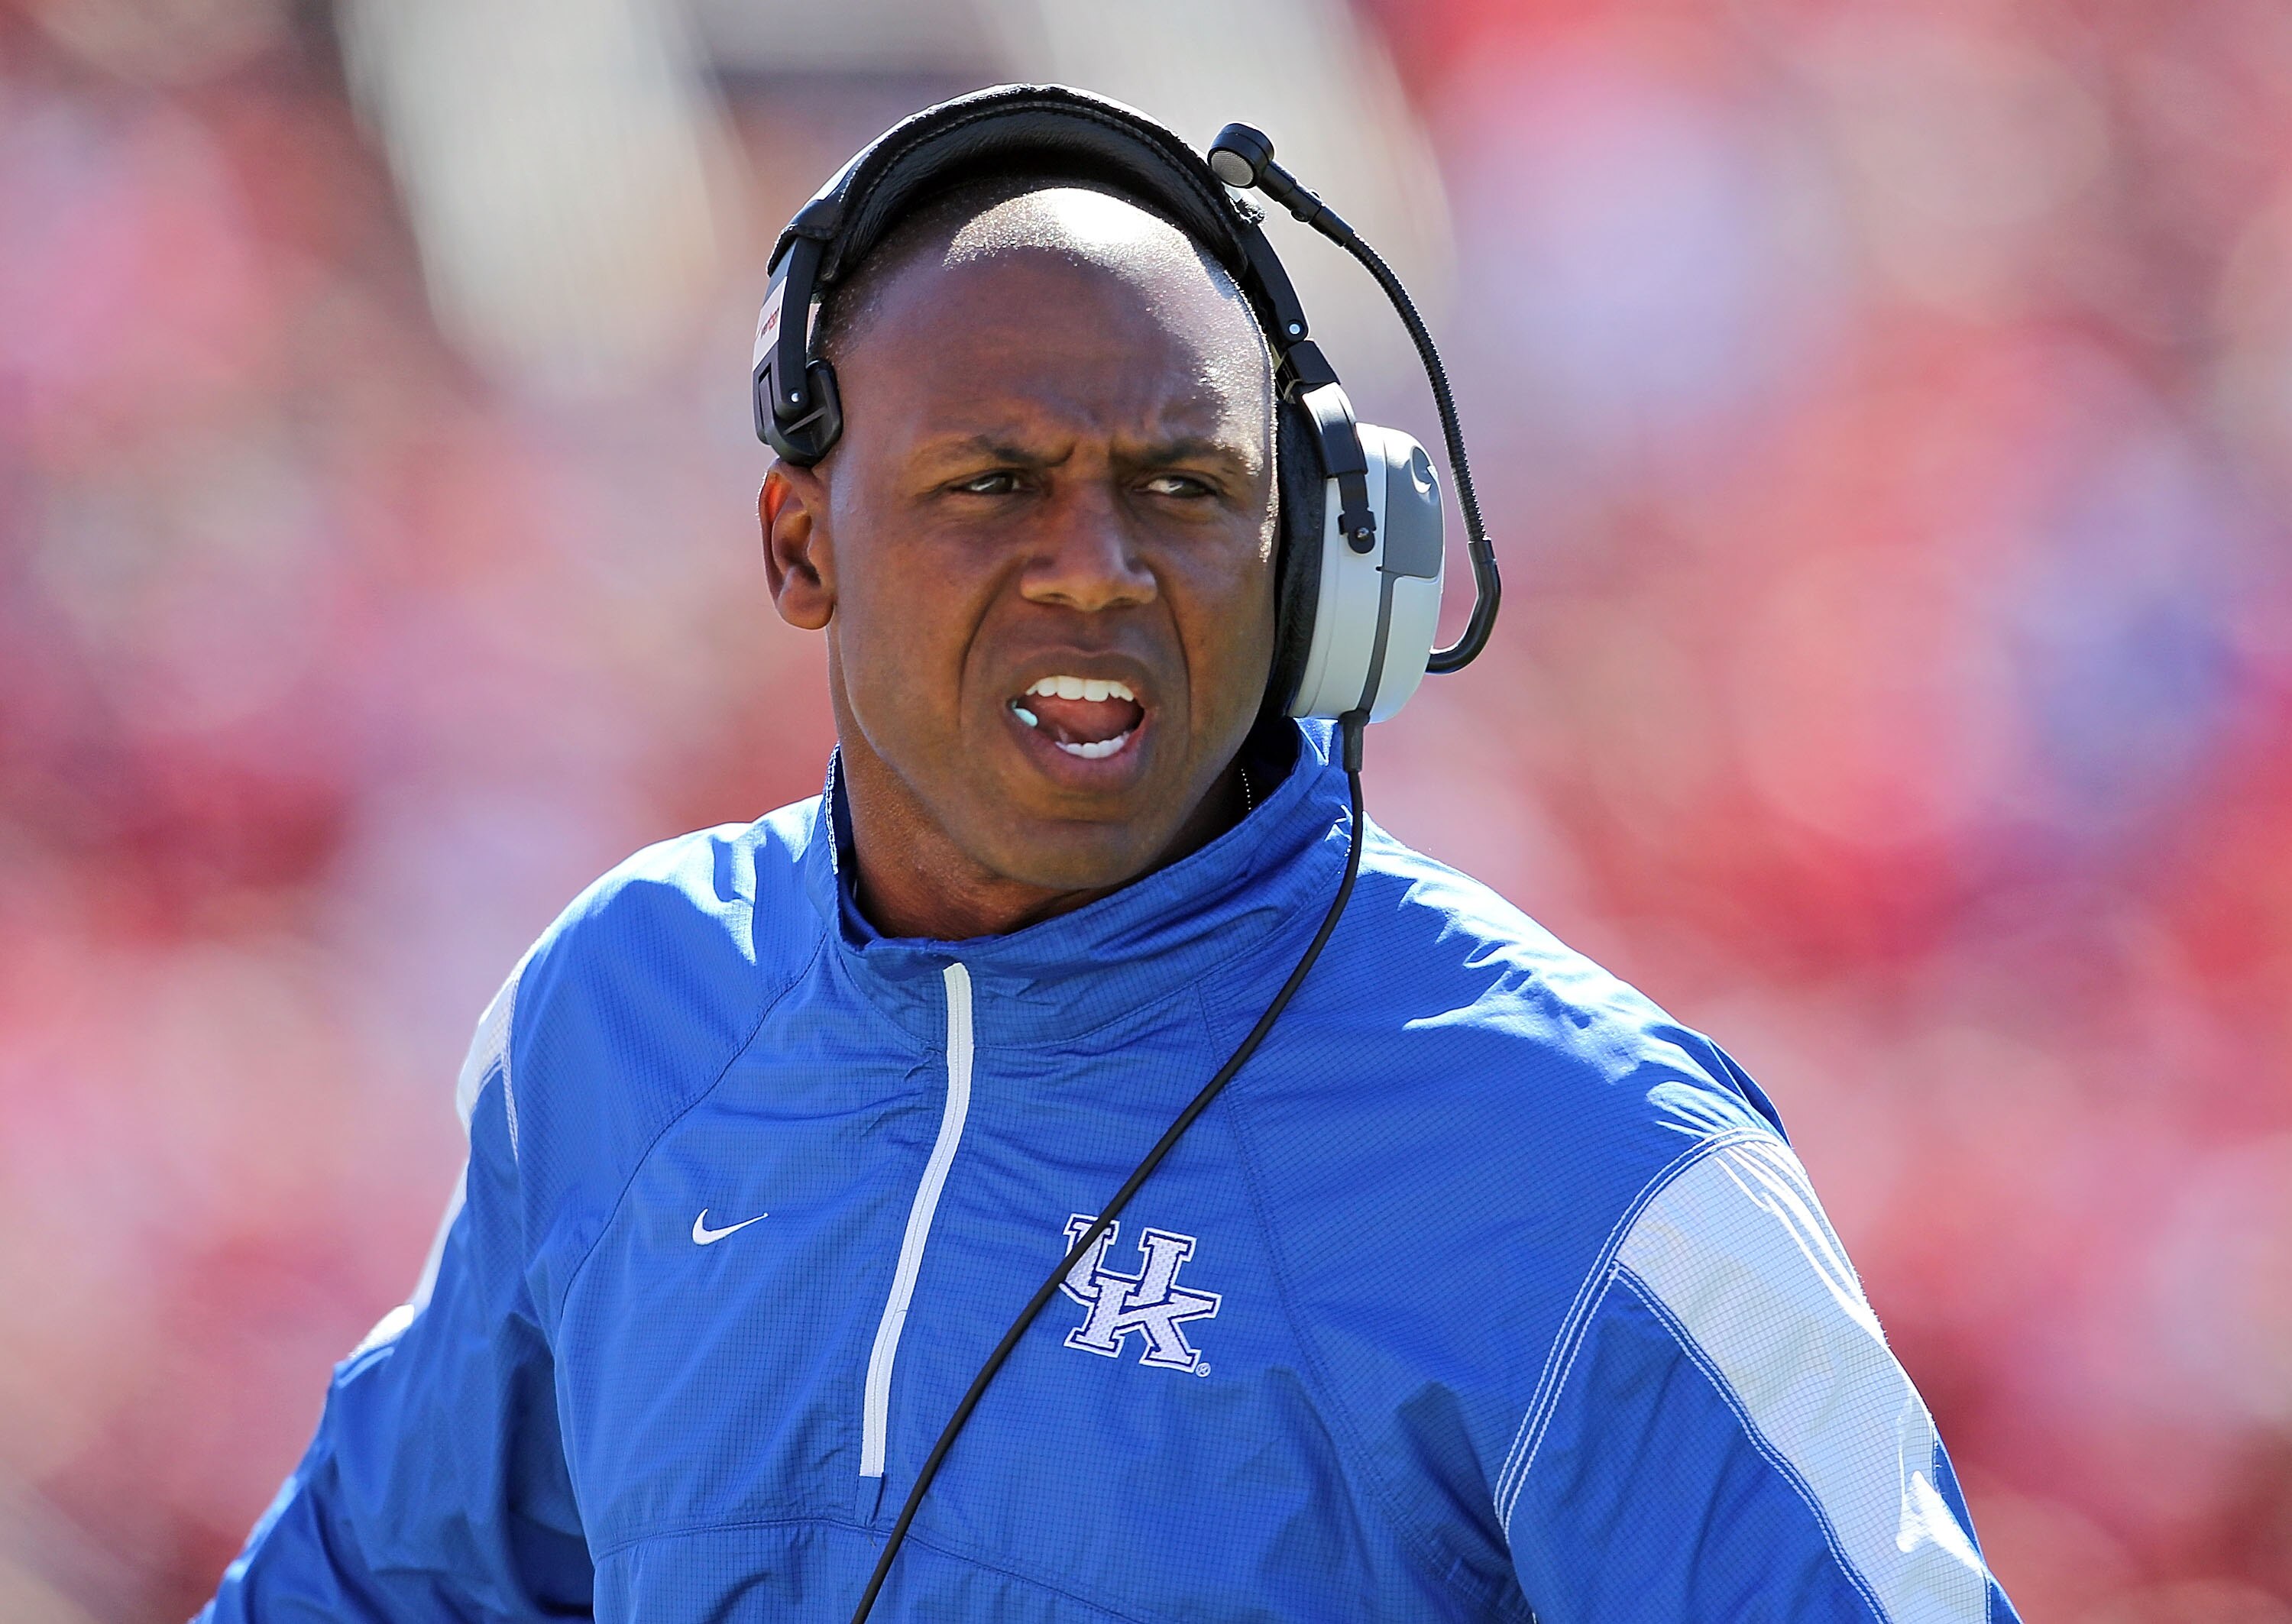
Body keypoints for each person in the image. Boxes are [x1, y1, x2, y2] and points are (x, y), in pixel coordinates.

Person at [201, 89, 2018, 1624]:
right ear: (800, 548)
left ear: (1317, 571)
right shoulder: (628, 1011)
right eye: (994, 483)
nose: (1097, 567)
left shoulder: (1586, 1158)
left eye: (1185, 487)